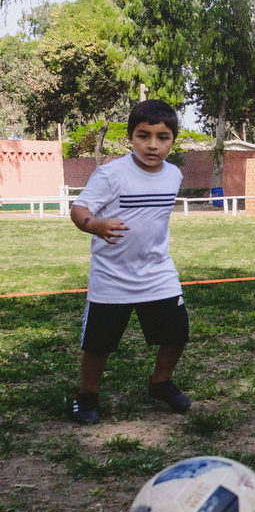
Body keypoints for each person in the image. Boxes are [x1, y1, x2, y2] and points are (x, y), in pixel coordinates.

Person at [68, 100, 192, 425]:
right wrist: (94, 225)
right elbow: (79, 209)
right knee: (99, 344)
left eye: (162, 137)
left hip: (157, 271)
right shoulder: (111, 174)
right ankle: (87, 396)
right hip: (112, 276)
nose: (152, 144)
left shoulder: (174, 175)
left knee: (177, 333)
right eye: (143, 135)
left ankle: (160, 384)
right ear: (130, 138)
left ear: (173, 140)